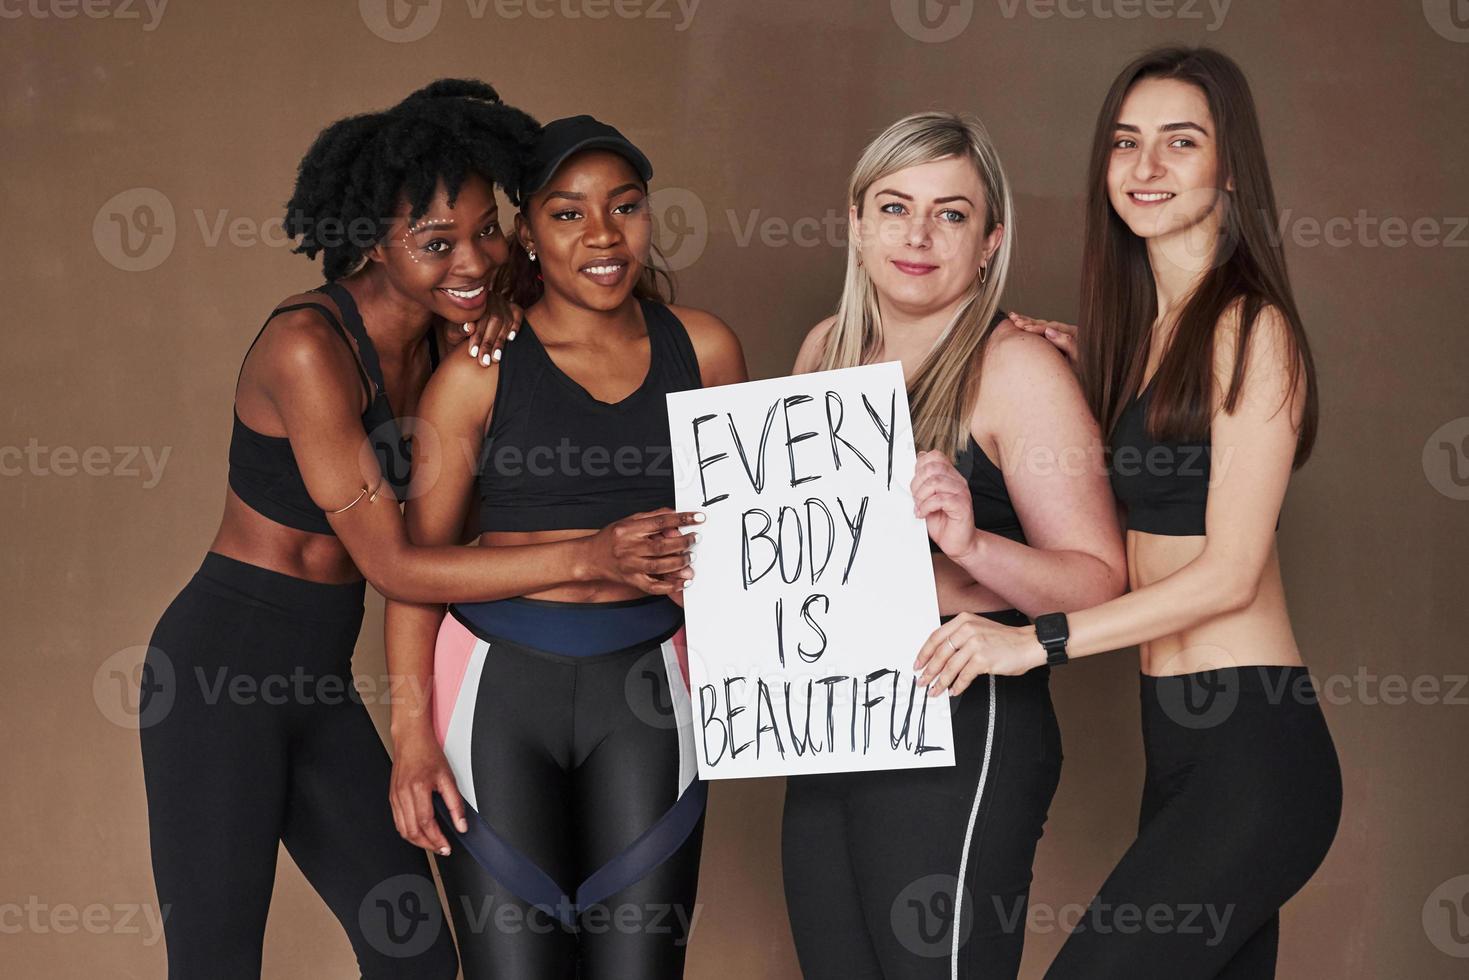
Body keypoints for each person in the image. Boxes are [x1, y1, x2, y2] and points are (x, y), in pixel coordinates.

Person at [140, 83, 699, 980]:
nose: (470, 260)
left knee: (418, 957)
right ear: (372, 242)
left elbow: (575, 276)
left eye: (487, 230)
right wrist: (590, 556)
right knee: (215, 959)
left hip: (318, 681)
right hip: (222, 671)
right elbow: (397, 564)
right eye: (436, 244)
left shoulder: (460, 337)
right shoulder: (307, 351)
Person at [928, 47, 1343, 977]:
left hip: (1254, 751)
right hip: (1178, 743)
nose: (1145, 168)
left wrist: (1031, 640)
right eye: (1125, 142)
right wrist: (1077, 360)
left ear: (1228, 166)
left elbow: (1228, 573)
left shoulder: (1252, 328)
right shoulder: (1145, 337)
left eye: (1178, 143)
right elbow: (1156, 446)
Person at [384, 115, 748, 979]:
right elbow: (412, 573)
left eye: (625, 207)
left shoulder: (703, 347)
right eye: (568, 213)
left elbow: (754, 534)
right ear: (528, 234)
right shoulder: (477, 369)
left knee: (639, 970)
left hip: (651, 690)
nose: (603, 236)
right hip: (494, 691)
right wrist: (408, 738)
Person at [780, 111, 1127, 979]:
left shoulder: (1017, 371)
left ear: (989, 241)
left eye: (951, 213)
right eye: (894, 207)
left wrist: (969, 550)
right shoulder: (824, 352)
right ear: (857, 224)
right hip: (830, 725)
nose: (918, 235)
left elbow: (1099, 582)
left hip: (963, 727)